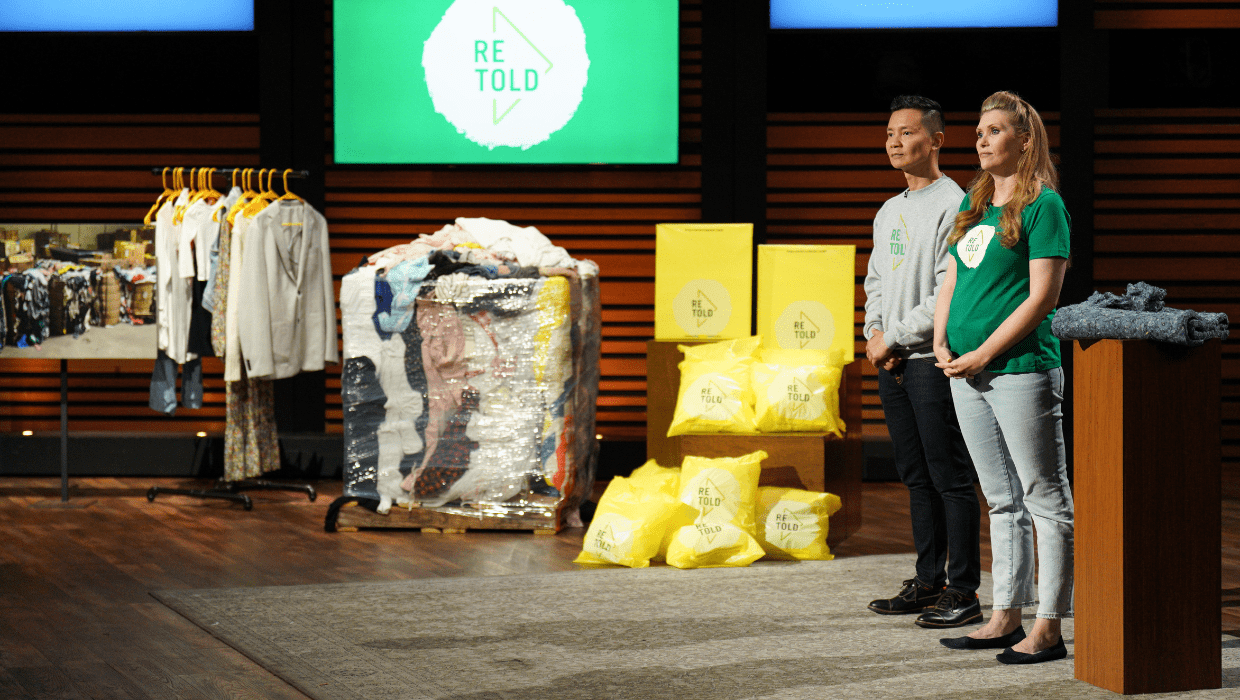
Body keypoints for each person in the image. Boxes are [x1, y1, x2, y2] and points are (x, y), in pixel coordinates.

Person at [933, 90, 1073, 664]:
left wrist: (984, 352)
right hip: (963, 371)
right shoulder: (976, 200)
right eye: (980, 130)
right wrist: (942, 341)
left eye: (994, 131)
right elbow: (951, 282)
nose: (981, 139)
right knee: (1000, 499)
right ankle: (1004, 615)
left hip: (1019, 371)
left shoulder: (1045, 206)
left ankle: (1048, 626)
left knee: (1045, 498)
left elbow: (1042, 297)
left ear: (1024, 139)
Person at [864, 95, 982, 629]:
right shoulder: (889, 210)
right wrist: (872, 332)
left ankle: (963, 588)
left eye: (907, 133)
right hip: (891, 359)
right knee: (914, 474)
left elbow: (946, 291)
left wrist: (894, 338)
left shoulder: (955, 203)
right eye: (890, 132)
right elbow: (876, 283)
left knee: (949, 475)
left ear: (937, 139)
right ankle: (927, 579)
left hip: (930, 360)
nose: (894, 141)